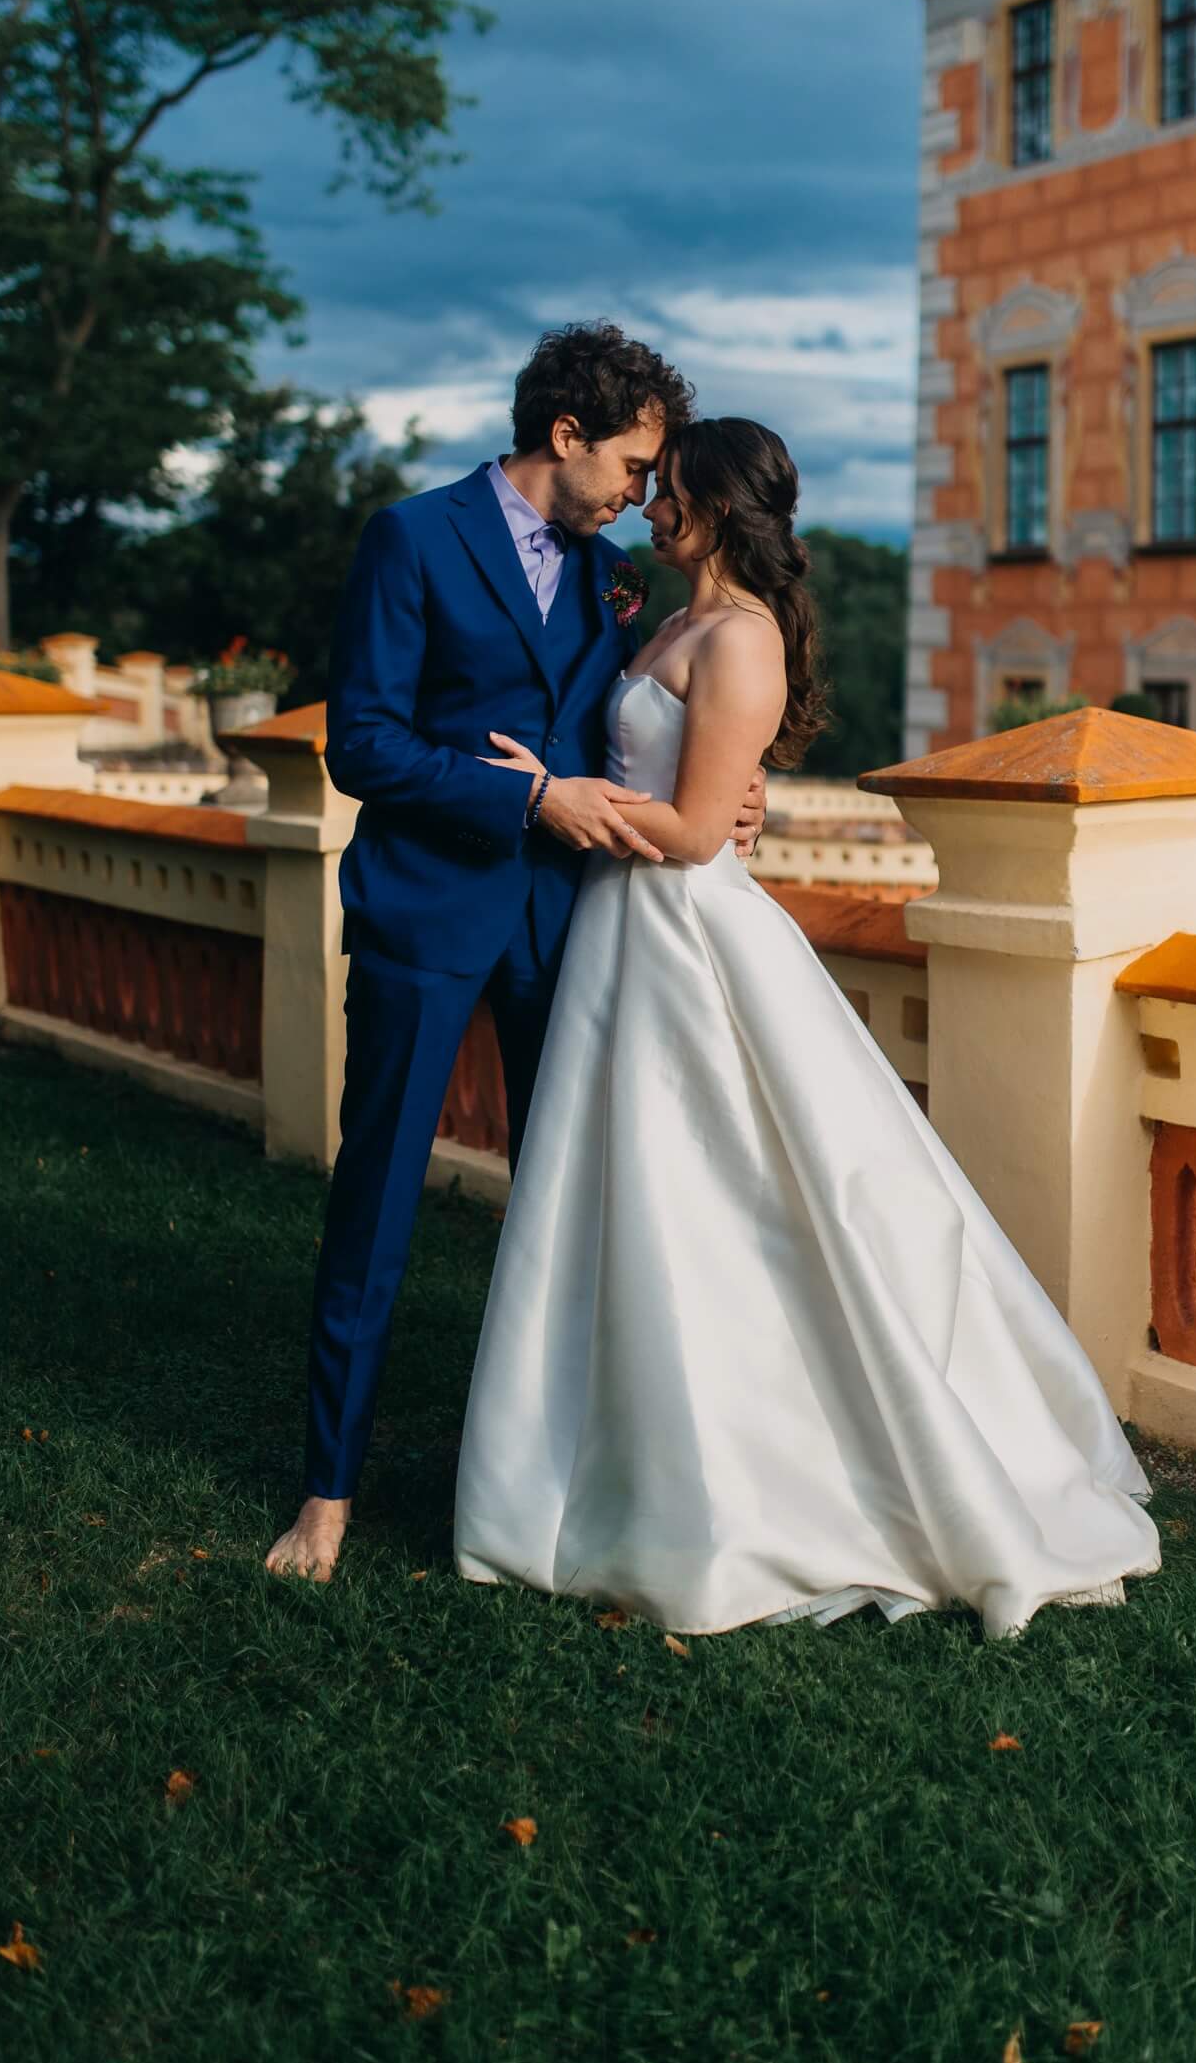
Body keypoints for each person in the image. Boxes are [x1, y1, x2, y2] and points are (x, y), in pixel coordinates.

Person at [453, 417, 1160, 1640]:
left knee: (749, 1198)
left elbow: (688, 832)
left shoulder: (744, 638)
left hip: (685, 933)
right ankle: (612, 1447)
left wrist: (550, 799)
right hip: (629, 944)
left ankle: (780, 1475)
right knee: (635, 1198)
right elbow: (675, 777)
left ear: (720, 507)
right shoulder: (666, 622)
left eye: (670, 490)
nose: (650, 505)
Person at [265, 326, 766, 1582]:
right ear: (565, 436)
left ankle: (563, 1477)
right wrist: (528, 803)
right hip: (427, 918)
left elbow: (646, 734)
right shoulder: (412, 539)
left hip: (572, 934)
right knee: (376, 1203)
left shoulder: (615, 584)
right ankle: (328, 1492)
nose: (647, 494)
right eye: (637, 465)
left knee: (573, 1213)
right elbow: (364, 747)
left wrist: (732, 801)